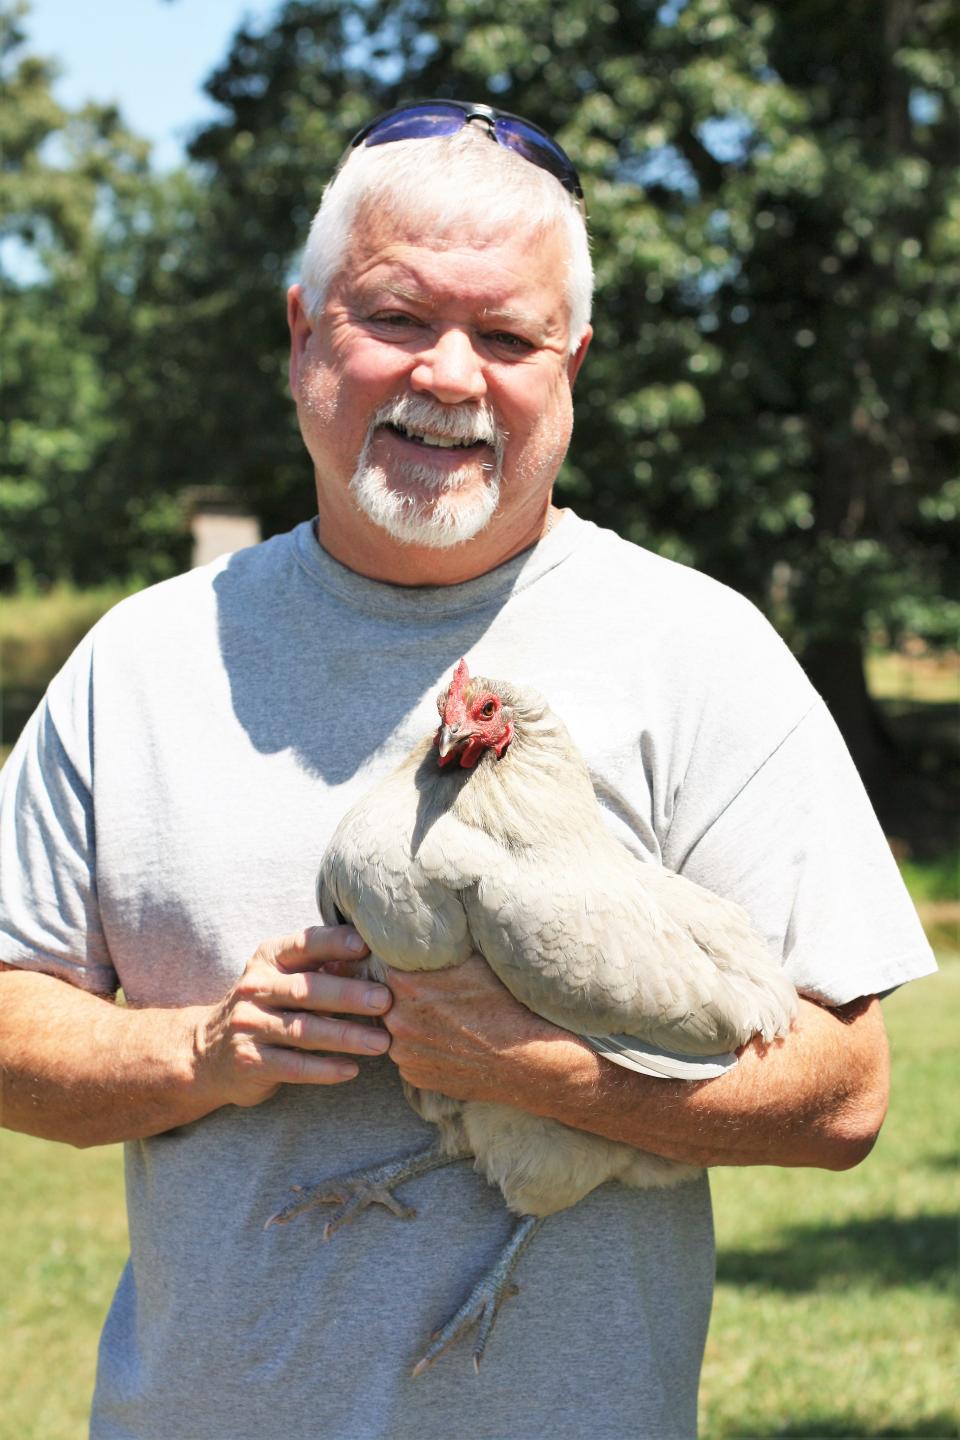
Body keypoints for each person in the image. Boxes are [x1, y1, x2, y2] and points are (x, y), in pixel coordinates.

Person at [0, 100, 935, 1440]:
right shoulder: (142, 659)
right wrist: (202, 1052)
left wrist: (546, 1072)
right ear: (300, 332)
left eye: (506, 337)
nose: (450, 375)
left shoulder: (700, 649)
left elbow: (846, 1092)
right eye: (397, 317)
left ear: (573, 366)